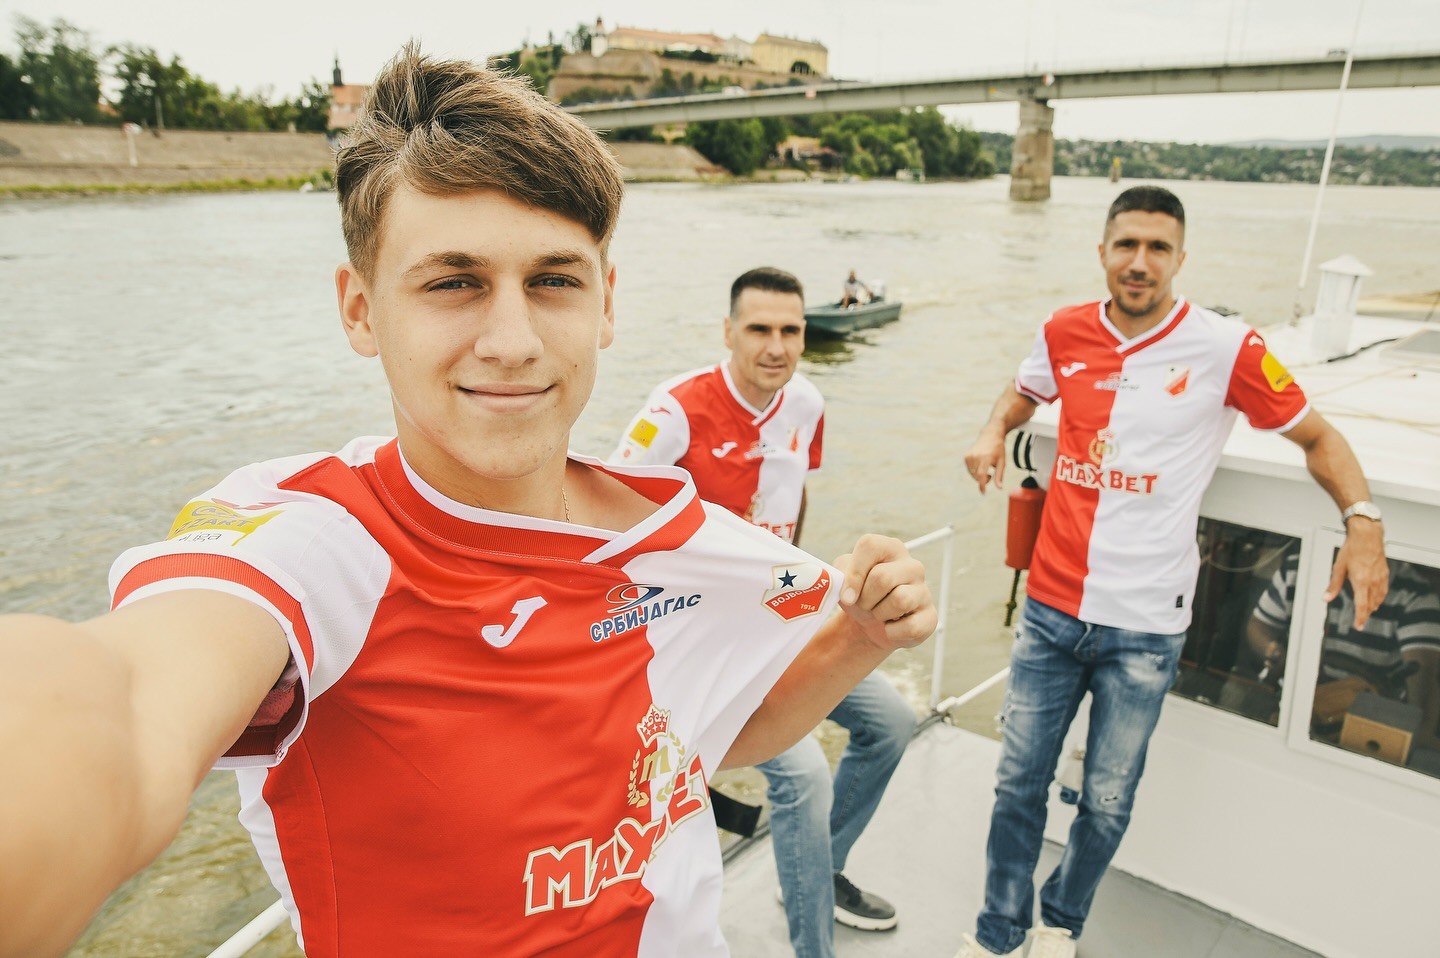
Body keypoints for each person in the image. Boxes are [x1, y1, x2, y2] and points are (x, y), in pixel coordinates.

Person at [0, 47, 939, 958]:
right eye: (454, 283)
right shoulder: (322, 549)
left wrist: (857, 638)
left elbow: (708, 739)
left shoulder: (670, 533)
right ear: (361, 310)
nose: (512, 340)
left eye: (553, 281)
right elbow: (125, 700)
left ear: (607, 304)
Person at [956, 184, 1389, 958]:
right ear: (1102, 252)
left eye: (1158, 247)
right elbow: (1022, 394)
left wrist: (1363, 521)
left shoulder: (1227, 348)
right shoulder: (1062, 330)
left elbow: (1318, 438)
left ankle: (1060, 924)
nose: (1140, 261)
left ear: (1181, 259)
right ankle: (998, 933)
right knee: (1017, 784)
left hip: (1147, 627)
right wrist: (993, 430)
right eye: (1126, 244)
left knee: (1107, 799)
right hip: (1051, 610)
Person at [611, 267, 916, 957]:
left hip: (782, 620)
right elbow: (608, 531)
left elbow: (794, 496)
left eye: (790, 331)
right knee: (803, 778)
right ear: (728, 333)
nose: (776, 347)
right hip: (699, 642)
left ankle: (817, 868)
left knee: (893, 724)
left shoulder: (806, 402)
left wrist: (799, 586)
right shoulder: (673, 412)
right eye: (759, 330)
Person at [1248, 554, 1440, 752]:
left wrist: (1420, 734)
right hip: (1288, 705)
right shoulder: (1299, 567)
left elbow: (1422, 675)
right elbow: (1259, 626)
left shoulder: (1417, 597)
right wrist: (1273, 651)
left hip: (1368, 727)